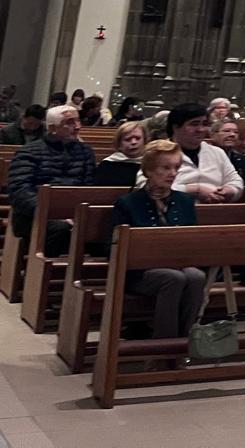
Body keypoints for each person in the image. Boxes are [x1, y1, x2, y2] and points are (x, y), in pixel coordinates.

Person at [109, 138, 208, 339]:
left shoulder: (184, 201)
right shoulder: (128, 203)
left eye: (176, 167)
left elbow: (192, 240)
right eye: (165, 168)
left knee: (196, 276)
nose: (172, 174)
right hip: (139, 272)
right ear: (149, 170)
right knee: (173, 278)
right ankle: (164, 346)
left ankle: (183, 341)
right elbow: (111, 246)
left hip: (177, 263)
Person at [7, 104, 97, 252]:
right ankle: (44, 272)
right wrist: (53, 214)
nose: (77, 126)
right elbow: (20, 192)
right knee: (60, 229)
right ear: (53, 128)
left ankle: (90, 273)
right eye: (70, 122)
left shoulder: (86, 152)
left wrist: (79, 215)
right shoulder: (29, 152)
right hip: (34, 216)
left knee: (103, 228)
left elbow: (88, 188)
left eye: (78, 121)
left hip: (74, 215)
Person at [167, 102, 243, 202]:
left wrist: (228, 190)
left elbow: (235, 181)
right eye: (194, 124)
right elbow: (147, 186)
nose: (201, 129)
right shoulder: (159, 152)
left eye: (205, 124)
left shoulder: (217, 153)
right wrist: (194, 190)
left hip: (214, 212)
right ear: (176, 127)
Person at [92, 120, 147, 186]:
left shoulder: (150, 163)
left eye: (138, 138)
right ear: (119, 144)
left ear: (145, 141)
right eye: (128, 139)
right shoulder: (107, 165)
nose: (133, 142)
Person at [209, 118, 245, 185]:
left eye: (236, 132)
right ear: (212, 134)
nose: (232, 135)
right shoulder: (202, 156)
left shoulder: (244, 160)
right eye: (226, 131)